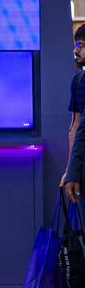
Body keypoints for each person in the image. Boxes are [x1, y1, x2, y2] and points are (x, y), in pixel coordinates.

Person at [59, 26, 85, 206]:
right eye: (76, 44)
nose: (76, 50)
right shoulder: (78, 80)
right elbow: (75, 127)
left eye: (81, 45)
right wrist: (70, 170)